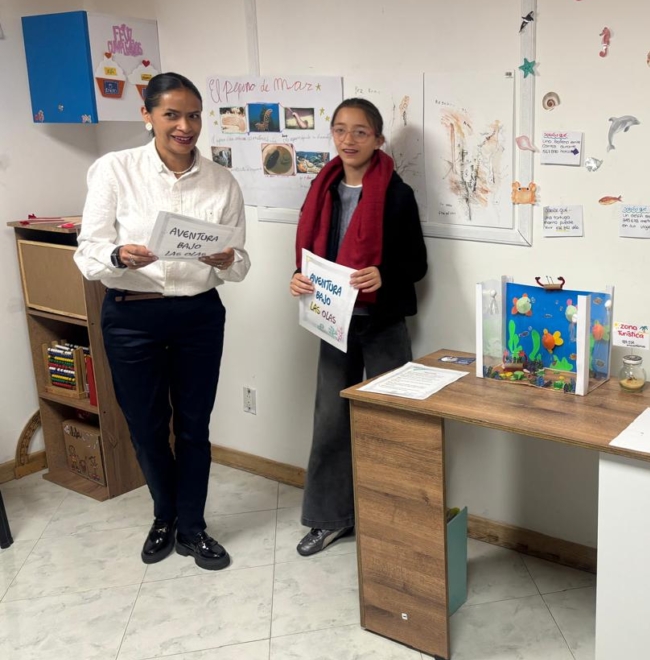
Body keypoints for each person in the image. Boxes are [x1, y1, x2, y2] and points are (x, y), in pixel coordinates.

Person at [74, 72, 249, 571]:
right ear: (147, 115)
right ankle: (164, 516)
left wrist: (228, 259)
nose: (184, 126)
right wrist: (118, 255)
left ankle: (192, 528)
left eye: (193, 115)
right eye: (172, 114)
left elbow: (240, 264)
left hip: (198, 315)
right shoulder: (115, 169)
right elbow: (88, 252)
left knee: (194, 427)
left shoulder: (222, 181)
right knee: (147, 427)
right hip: (132, 315)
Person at [290, 97, 427, 556]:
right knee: (330, 422)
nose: (349, 140)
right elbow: (312, 256)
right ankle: (330, 519)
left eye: (360, 132)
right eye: (340, 130)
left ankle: (397, 521)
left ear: (378, 140)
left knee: (393, 423)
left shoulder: (397, 194)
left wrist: (383, 274)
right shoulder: (322, 188)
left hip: (382, 322)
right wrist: (299, 278)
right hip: (332, 322)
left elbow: (417, 264)